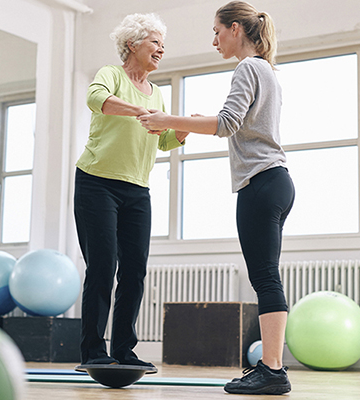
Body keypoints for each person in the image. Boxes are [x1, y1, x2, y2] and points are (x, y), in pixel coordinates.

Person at [138, 1, 294, 394]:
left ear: (237, 29)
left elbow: (226, 124)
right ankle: (273, 369)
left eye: (217, 31)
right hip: (275, 181)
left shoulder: (248, 67)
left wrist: (167, 120)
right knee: (266, 276)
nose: (214, 40)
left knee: (264, 278)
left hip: (260, 182)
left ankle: (273, 371)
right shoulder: (267, 70)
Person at [74, 13, 188, 368]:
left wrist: (183, 129)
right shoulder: (112, 74)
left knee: (134, 270)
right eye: (154, 41)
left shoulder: (159, 93)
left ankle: (124, 349)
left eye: (162, 43)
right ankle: (93, 351)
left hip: (137, 190)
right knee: (103, 266)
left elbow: (164, 140)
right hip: (97, 183)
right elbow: (97, 100)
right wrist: (141, 111)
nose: (161, 48)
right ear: (132, 44)